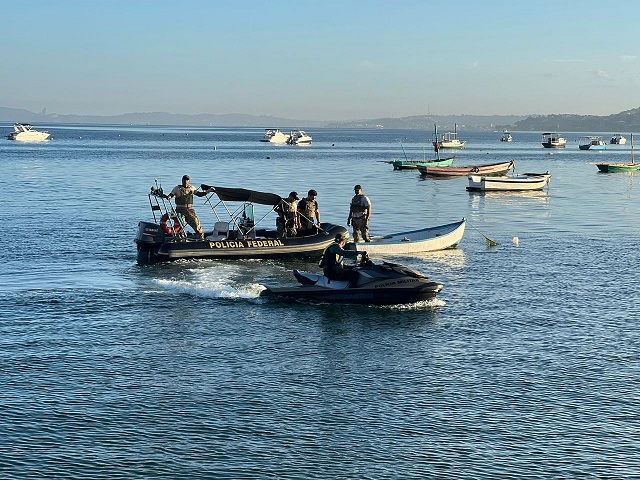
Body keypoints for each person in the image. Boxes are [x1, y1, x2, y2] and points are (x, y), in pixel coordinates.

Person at [166, 175, 208, 239]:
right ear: (182, 180)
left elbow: (199, 194)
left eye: (187, 180)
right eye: (184, 180)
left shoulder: (192, 188)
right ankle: (180, 238)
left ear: (189, 181)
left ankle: (201, 238)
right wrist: (169, 197)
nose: (186, 181)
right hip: (180, 209)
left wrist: (208, 191)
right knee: (180, 225)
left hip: (189, 209)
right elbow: (171, 194)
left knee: (196, 224)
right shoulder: (177, 188)